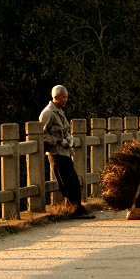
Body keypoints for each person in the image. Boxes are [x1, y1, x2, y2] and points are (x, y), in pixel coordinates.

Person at [39, 85, 93, 219]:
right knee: (67, 183)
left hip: (66, 152)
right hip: (56, 153)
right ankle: (74, 210)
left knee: (74, 181)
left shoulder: (60, 111)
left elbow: (65, 130)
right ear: (55, 97)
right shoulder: (48, 113)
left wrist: (69, 138)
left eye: (66, 97)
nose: (65, 100)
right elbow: (41, 134)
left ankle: (76, 209)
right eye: (63, 97)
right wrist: (57, 140)